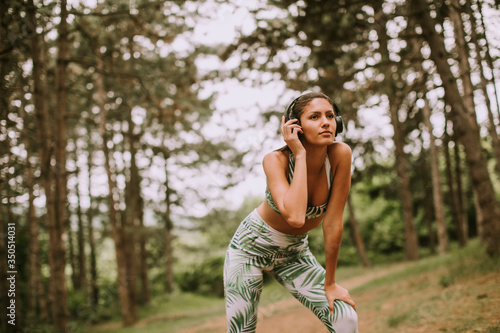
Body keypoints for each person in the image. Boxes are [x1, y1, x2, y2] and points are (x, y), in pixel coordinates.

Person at [223, 92, 358, 333]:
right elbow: (296, 217)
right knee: (242, 331)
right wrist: (300, 153)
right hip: (249, 249)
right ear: (295, 126)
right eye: (314, 117)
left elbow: (333, 222)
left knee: (344, 317)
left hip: (294, 253)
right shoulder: (275, 160)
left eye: (329, 115)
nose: (326, 122)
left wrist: (331, 283)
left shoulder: (340, 155)